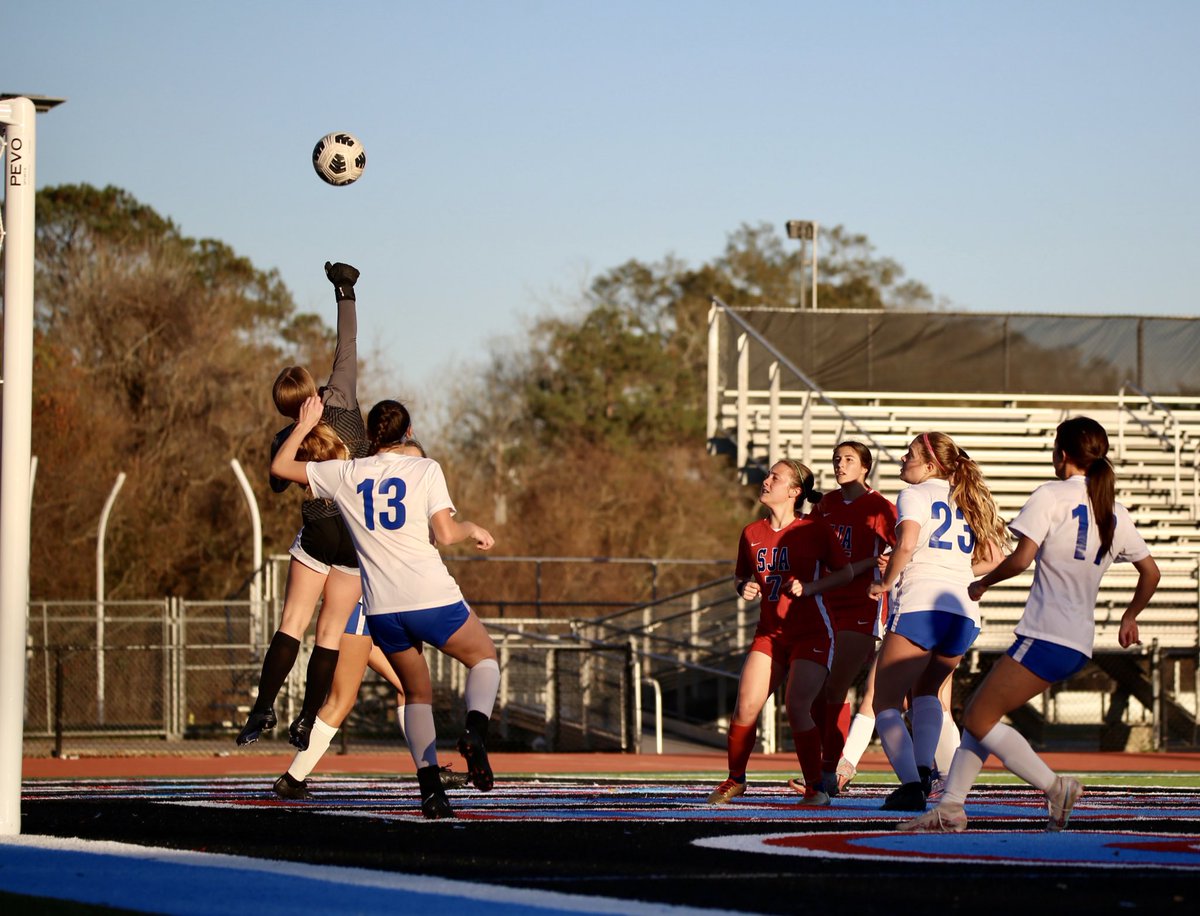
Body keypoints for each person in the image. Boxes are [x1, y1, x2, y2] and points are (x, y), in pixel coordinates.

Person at [899, 417, 1160, 833]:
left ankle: (1055, 787)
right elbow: (1151, 573)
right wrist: (1130, 615)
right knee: (983, 713)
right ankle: (951, 808)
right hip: (1078, 641)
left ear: (1062, 454)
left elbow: (1020, 559)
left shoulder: (1051, 495)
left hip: (1045, 633)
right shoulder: (1115, 511)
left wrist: (983, 581)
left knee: (979, 718)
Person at [270, 396, 500, 819]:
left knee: (412, 692)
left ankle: (430, 789)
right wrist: (472, 529)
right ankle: (475, 731)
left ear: (371, 436)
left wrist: (304, 426)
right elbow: (446, 534)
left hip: (380, 606)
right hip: (424, 596)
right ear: (408, 433)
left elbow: (282, 468)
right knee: (484, 658)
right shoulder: (425, 469)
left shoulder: (347, 473)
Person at [237, 261, 368, 751]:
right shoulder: (341, 401)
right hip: (355, 540)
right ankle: (308, 720)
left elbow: (275, 485)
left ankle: (261, 709)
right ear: (313, 390)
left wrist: (295, 430)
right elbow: (347, 346)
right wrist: (345, 292)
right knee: (329, 633)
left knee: (292, 622)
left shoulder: (282, 439)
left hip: (316, 535)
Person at [867, 432, 1006, 811]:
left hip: (922, 605)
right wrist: (955, 570)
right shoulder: (964, 496)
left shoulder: (915, 493)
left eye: (910, 454)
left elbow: (907, 544)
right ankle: (926, 770)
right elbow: (994, 557)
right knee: (927, 692)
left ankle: (912, 784)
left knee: (885, 703)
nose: (902, 458)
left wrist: (885, 582)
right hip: (962, 611)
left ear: (930, 466)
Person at [706, 459, 855, 808]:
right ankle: (736, 779)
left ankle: (816, 787)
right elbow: (741, 576)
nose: (766, 480)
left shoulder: (814, 529)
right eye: (768, 474)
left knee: (797, 705)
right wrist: (742, 587)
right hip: (770, 632)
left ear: (794, 491)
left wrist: (812, 586)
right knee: (745, 706)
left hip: (812, 631)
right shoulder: (751, 532)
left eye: (775, 476)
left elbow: (846, 573)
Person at [799, 442, 897, 798]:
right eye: (836, 459)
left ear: (865, 467)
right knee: (811, 689)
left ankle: (829, 772)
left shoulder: (881, 507)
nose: (840, 465)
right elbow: (805, 540)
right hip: (825, 603)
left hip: (861, 604)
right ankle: (824, 768)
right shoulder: (826, 504)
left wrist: (887, 563)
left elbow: (904, 547)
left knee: (834, 686)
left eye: (849, 460)